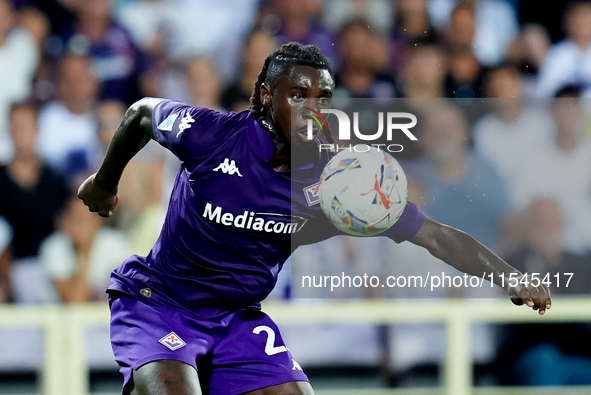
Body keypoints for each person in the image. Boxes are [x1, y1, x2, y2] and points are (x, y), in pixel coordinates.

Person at [78, 43, 551, 395]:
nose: (313, 109)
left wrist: (509, 276)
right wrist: (104, 181)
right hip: (159, 301)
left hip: (237, 318)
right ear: (265, 96)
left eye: (323, 98)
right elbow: (142, 114)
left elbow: (434, 236)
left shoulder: (338, 186)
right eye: (297, 94)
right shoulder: (212, 135)